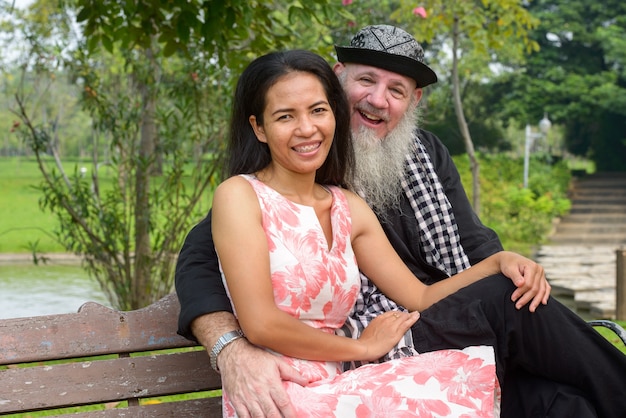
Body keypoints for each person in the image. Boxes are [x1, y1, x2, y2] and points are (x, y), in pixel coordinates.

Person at [176, 25, 626, 418]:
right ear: (339, 81)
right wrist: (229, 347)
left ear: (413, 100)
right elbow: (200, 262)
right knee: (507, 303)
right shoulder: (263, 185)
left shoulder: (416, 160)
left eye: (396, 89)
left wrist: (502, 262)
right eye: (366, 80)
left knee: (561, 402)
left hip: (432, 323)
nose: (377, 99)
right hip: (365, 345)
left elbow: (469, 247)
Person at [214, 48, 513, 416]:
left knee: (484, 374)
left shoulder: (347, 206)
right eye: (285, 116)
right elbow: (260, 324)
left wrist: (496, 264)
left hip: (341, 381)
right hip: (275, 387)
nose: (307, 128)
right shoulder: (240, 196)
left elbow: (419, 295)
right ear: (259, 127)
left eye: (317, 111)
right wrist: (363, 348)